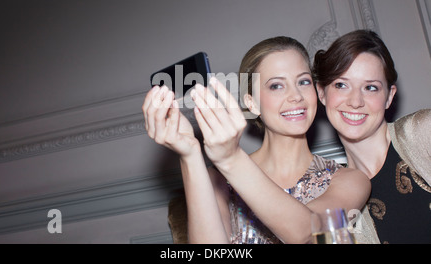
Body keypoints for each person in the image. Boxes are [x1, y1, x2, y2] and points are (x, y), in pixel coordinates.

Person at [142, 36, 371, 244]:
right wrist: (189, 154)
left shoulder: (350, 180)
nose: (296, 96)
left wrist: (232, 159)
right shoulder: (218, 180)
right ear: (251, 103)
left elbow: (309, 234)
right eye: (276, 85)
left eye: (303, 82)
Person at [313, 29, 431, 244]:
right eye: (341, 85)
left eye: (370, 87)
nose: (355, 101)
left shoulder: (423, 132)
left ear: (389, 96)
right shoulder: (333, 199)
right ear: (322, 93)